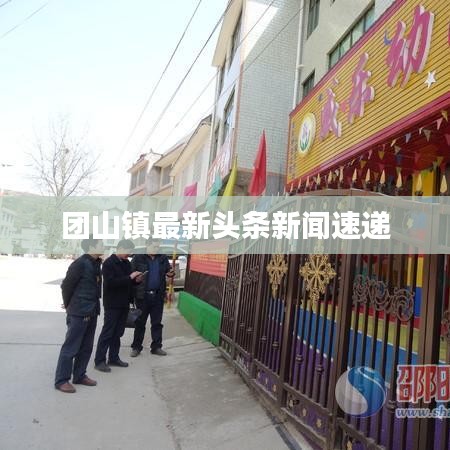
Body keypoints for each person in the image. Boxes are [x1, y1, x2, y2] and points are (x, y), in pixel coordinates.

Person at [54, 237, 104, 394]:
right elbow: (66, 285)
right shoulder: (80, 264)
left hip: (92, 310)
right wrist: (68, 304)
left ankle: (80, 375)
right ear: (92, 247)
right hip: (79, 311)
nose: (104, 246)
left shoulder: (96, 263)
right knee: (71, 347)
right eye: (101, 244)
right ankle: (62, 380)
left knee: (86, 347)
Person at [94, 239, 143, 372]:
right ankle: (99, 360)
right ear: (120, 248)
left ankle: (113, 358)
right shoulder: (109, 263)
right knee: (108, 332)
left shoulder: (126, 263)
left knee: (118, 333)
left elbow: (128, 282)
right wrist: (130, 277)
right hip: (112, 304)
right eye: (128, 251)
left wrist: (136, 281)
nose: (129, 254)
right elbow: (111, 283)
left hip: (124, 303)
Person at [130, 238, 175, 357]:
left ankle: (156, 347)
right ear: (147, 245)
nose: (156, 249)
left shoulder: (162, 258)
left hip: (157, 296)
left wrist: (171, 273)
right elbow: (130, 275)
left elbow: (169, 271)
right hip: (142, 296)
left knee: (157, 323)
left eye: (158, 247)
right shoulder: (138, 258)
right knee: (140, 323)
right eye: (154, 246)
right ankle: (136, 347)